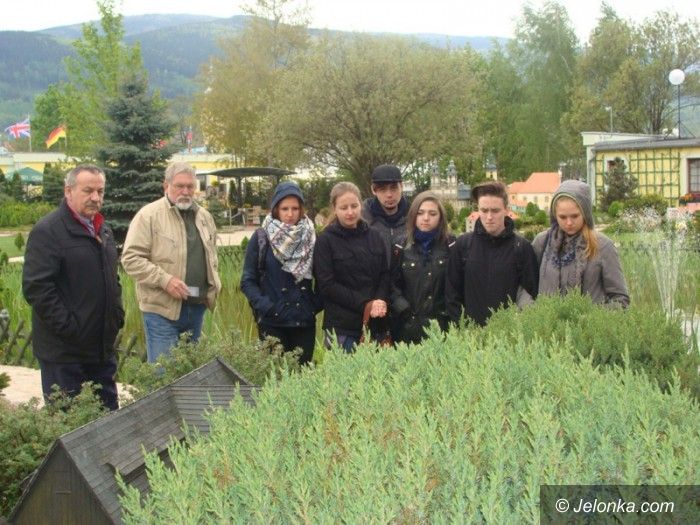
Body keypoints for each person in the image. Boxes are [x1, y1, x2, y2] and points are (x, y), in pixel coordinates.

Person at [22, 164, 124, 410]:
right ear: (68, 191)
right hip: (64, 355)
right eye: (88, 191)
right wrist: (70, 328)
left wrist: (116, 315)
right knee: (69, 421)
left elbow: (112, 277)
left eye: (100, 191)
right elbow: (37, 288)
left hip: (100, 350)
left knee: (109, 418)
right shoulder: (48, 231)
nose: (96, 198)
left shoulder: (103, 229)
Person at [121, 161, 221, 362]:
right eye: (179, 186)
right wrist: (164, 280)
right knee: (164, 373)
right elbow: (130, 259)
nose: (185, 192)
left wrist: (211, 290)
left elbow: (212, 257)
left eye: (190, 186)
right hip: (162, 311)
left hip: (196, 308)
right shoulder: (149, 216)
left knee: (192, 373)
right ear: (166, 186)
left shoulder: (204, 217)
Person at [240, 181, 320, 365]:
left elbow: (324, 277)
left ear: (301, 209)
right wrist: (267, 307)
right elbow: (247, 281)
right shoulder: (262, 237)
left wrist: (313, 305)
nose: (290, 214)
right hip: (272, 323)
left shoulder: (311, 236)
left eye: (295, 208)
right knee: (273, 376)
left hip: (303, 322)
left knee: (302, 376)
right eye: (285, 209)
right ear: (276, 209)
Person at [446, 181, 539, 326]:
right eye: (484, 210)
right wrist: (463, 328)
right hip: (470, 334)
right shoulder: (463, 245)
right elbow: (452, 294)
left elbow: (532, 295)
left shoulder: (522, 248)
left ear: (506, 210)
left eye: (495, 211)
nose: (489, 217)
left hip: (509, 334)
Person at [314, 181, 390, 352]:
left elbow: (385, 274)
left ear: (361, 205)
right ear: (334, 209)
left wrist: (379, 301)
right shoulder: (325, 241)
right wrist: (365, 304)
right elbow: (327, 286)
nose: (350, 212)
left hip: (374, 324)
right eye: (344, 208)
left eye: (354, 206)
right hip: (342, 328)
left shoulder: (375, 236)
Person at [532, 180, 629, 307]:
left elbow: (621, 300)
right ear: (555, 215)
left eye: (575, 216)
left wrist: (592, 315)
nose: (569, 223)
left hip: (591, 319)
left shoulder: (603, 246)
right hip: (547, 319)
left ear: (585, 213)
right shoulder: (542, 242)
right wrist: (533, 311)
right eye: (562, 217)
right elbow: (526, 288)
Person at [390, 191, 454, 344]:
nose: (426, 218)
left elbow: (457, 285)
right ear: (413, 215)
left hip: (442, 328)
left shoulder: (451, 246)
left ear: (440, 217)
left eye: (432, 213)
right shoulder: (400, 246)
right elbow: (391, 283)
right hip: (408, 328)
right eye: (420, 213)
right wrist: (404, 310)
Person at [361, 164, 409, 263]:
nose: (389, 195)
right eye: (382, 189)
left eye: (394, 188)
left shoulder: (415, 218)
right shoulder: (361, 222)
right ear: (373, 190)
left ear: (402, 187)